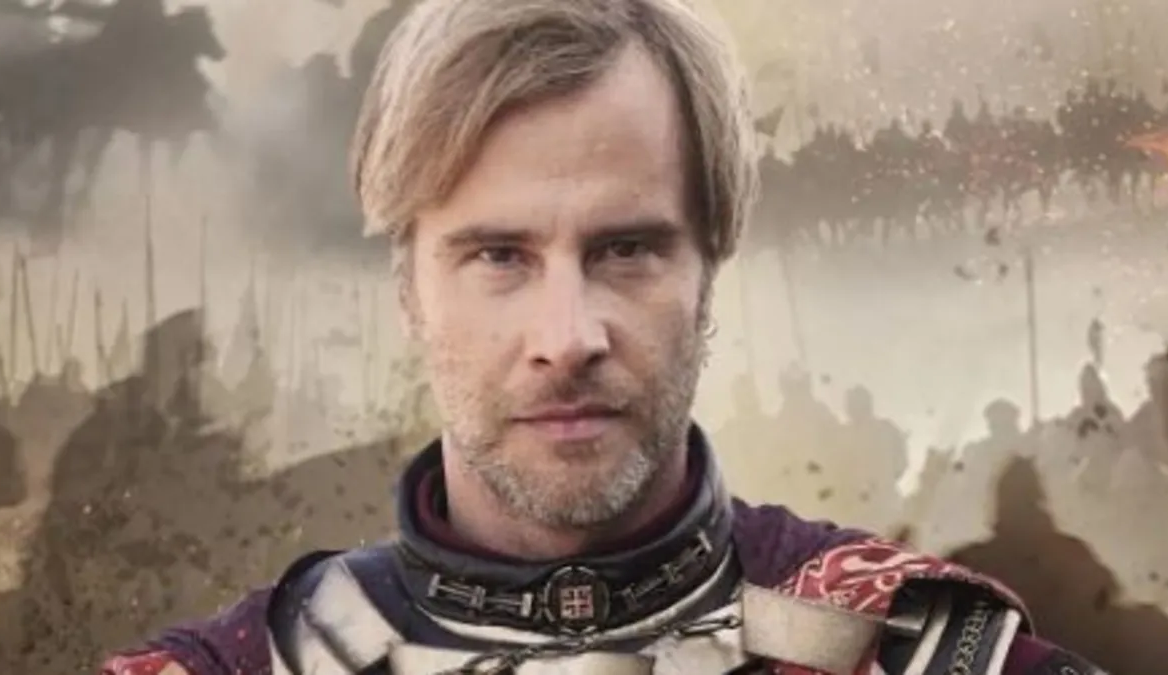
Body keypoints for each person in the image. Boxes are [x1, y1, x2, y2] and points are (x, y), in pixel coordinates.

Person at [102, 0, 1108, 673]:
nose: (567, 336)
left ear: (710, 268)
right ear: (408, 290)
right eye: (499, 255)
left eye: (627, 249)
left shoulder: (908, 647)